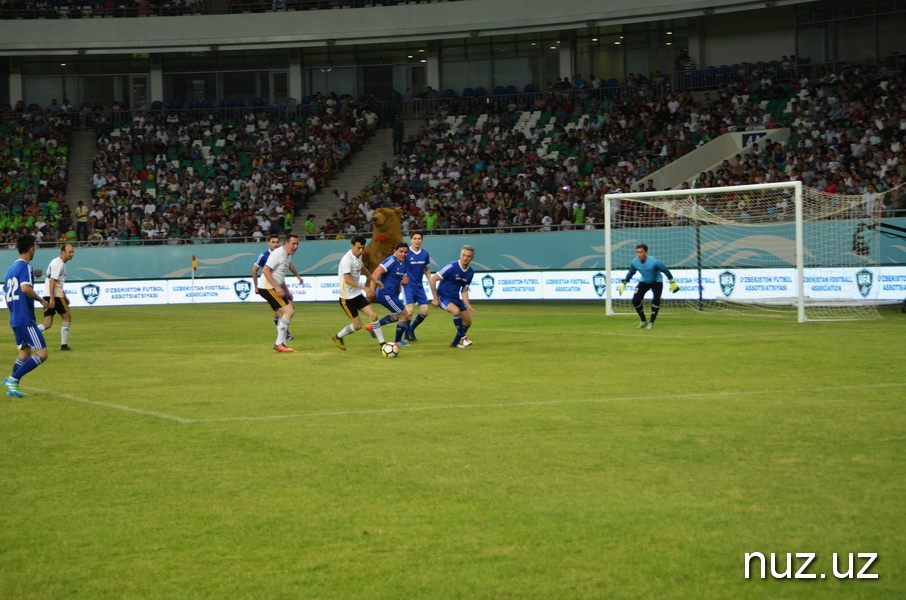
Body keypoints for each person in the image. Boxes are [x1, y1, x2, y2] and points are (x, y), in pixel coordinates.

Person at [2, 235, 50, 397]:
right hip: (24, 318)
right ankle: (13, 379)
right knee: (42, 353)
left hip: (16, 318)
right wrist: (42, 301)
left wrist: (11, 315)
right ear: (31, 249)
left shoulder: (10, 270)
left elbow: (7, 295)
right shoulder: (26, 267)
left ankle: (12, 389)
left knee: (24, 353)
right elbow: (25, 289)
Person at [331, 235, 388, 352]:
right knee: (357, 325)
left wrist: (374, 280)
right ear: (351, 246)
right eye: (358, 248)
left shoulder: (358, 257)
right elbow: (347, 279)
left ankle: (382, 343)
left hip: (357, 295)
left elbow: (363, 269)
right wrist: (364, 288)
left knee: (374, 316)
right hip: (346, 298)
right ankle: (338, 337)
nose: (361, 250)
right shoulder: (347, 260)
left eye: (363, 248)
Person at [252, 233, 302, 343]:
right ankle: (279, 343)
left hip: (271, 287)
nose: (296, 247)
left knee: (281, 314)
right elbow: (265, 270)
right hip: (267, 287)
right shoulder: (277, 254)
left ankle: (282, 341)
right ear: (286, 243)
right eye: (293, 244)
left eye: (297, 244)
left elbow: (280, 276)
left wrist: (287, 291)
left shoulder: (286, 255)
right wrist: (276, 288)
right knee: (289, 310)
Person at [619, 243, 680, 329]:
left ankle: (651, 322)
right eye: (637, 252)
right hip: (644, 281)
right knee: (635, 300)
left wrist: (672, 282)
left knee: (656, 300)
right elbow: (631, 272)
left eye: (641, 252)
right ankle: (644, 321)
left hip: (656, 281)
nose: (639, 254)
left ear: (646, 252)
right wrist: (624, 283)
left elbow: (665, 270)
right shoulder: (634, 262)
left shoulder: (654, 262)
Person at [430, 244, 476, 348]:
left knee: (468, 322)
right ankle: (464, 338)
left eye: (468, 256)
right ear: (460, 255)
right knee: (456, 311)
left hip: (455, 298)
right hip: (443, 297)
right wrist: (435, 298)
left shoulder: (470, 272)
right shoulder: (451, 267)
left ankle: (455, 344)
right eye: (463, 255)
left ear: (471, 258)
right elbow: (433, 279)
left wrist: (467, 304)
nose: (465, 258)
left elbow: (464, 291)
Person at [367, 241, 411, 346]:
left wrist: (405, 280)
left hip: (392, 294)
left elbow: (403, 278)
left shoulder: (403, 263)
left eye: (405, 252)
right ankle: (397, 341)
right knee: (405, 315)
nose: (403, 254)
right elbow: (376, 273)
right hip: (386, 294)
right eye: (401, 251)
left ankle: (373, 326)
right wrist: (372, 289)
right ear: (395, 251)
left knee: (397, 316)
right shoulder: (391, 260)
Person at [41, 243, 75, 351]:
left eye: (73, 252)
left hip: (49, 294)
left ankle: (30, 336)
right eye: (69, 252)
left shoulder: (57, 262)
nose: (72, 254)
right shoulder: (58, 264)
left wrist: (64, 296)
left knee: (47, 323)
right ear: (63, 252)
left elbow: (56, 282)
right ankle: (64, 345)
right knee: (67, 317)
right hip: (55, 295)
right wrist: (52, 298)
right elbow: (52, 281)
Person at [403, 231, 431, 341]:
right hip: (408, 286)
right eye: (415, 238)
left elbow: (427, 269)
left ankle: (411, 329)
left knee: (425, 311)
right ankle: (406, 337)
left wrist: (430, 280)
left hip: (419, 286)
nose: (417, 240)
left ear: (422, 240)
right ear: (411, 240)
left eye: (419, 238)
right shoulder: (406, 253)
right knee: (409, 310)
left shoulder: (425, 254)